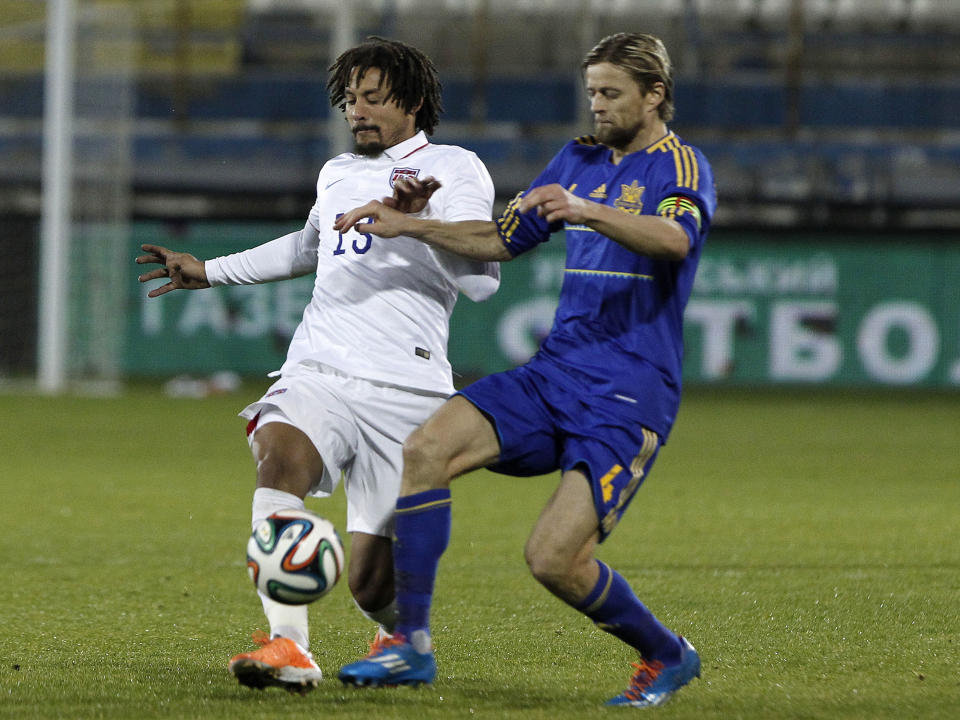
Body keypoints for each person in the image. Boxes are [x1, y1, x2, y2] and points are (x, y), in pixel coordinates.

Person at [333, 32, 716, 707]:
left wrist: (589, 209)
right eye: (592, 91)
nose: (596, 105)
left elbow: (675, 239)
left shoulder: (680, 167)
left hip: (627, 395)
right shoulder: (577, 158)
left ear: (654, 95)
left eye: (611, 93)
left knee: (553, 560)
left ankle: (665, 653)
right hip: (554, 373)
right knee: (424, 449)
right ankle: (409, 647)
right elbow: (502, 239)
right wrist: (411, 226)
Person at [136, 37, 499, 693]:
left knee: (370, 583)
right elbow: (308, 246)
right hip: (320, 366)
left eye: (372, 99)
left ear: (413, 102)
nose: (356, 111)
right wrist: (209, 272)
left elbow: (483, 280)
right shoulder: (337, 173)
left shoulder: (455, 167)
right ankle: (289, 646)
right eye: (350, 99)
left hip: (408, 389)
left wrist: (413, 222)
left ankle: (401, 638)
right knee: (279, 457)